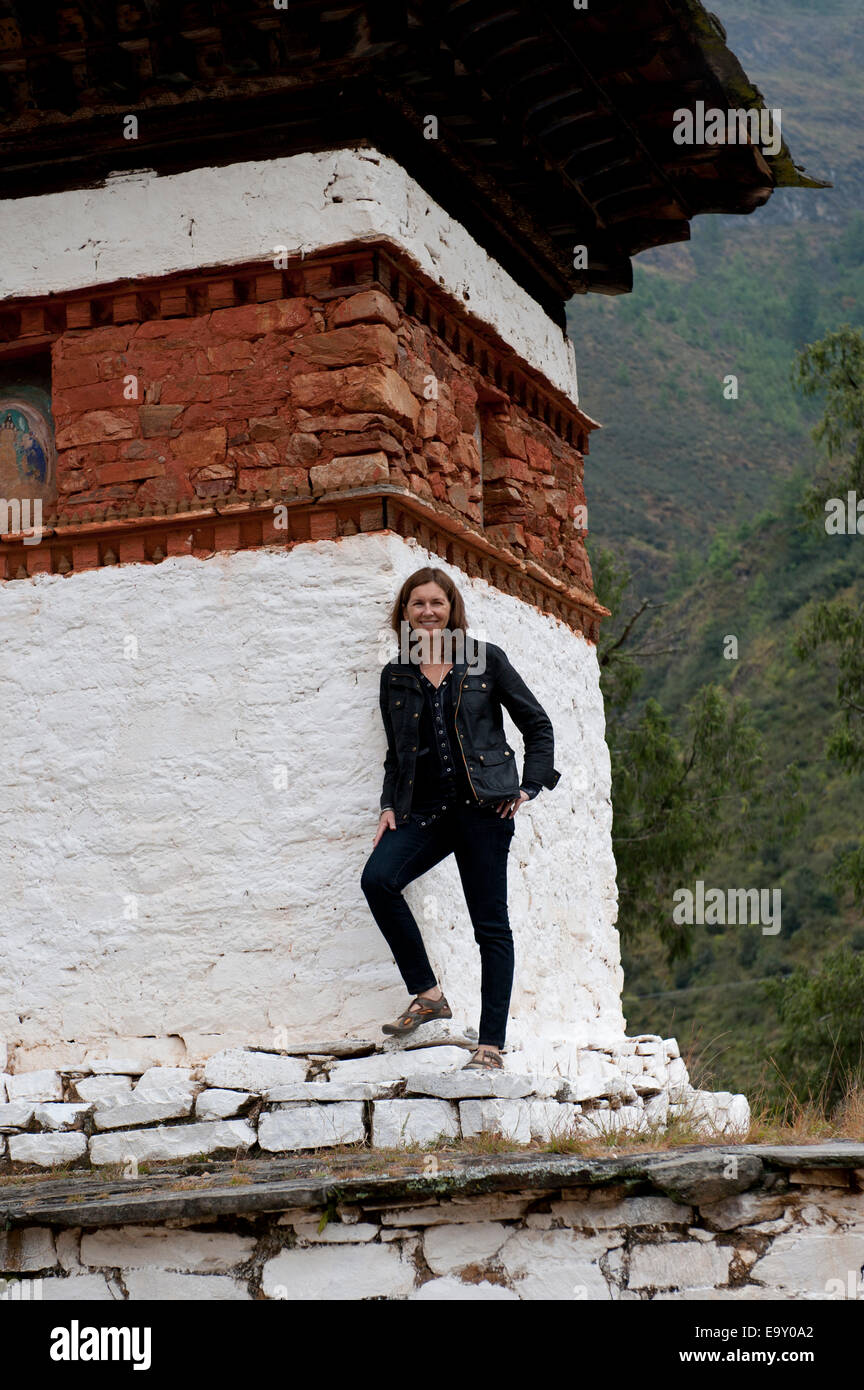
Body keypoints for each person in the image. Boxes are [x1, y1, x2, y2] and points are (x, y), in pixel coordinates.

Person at [360, 566, 560, 1070]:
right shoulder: (397, 674)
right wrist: (389, 806)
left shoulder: (484, 660)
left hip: (484, 809)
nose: (428, 612)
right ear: (404, 613)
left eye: (437, 603)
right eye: (417, 604)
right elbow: (396, 753)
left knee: (490, 927)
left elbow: (536, 724)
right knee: (378, 880)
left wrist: (530, 786)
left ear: (452, 609)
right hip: (424, 811)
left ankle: (490, 1046)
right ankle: (428, 994)